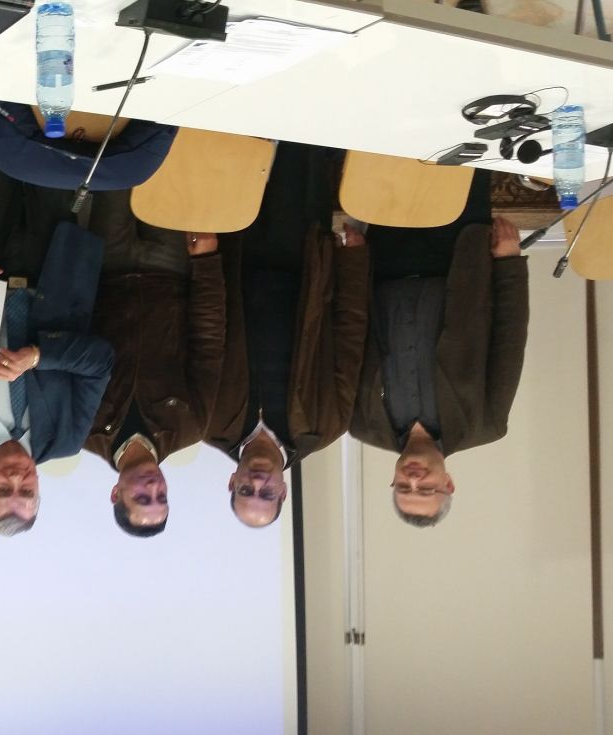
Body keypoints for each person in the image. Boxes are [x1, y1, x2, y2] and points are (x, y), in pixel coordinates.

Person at [0, 156, 114, 536]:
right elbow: (100, 362)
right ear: (39, 488)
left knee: (0, 149)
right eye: (27, 490)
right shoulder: (67, 439)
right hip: (55, 265)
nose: (16, 478)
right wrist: (38, 357)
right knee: (55, 148)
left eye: (3, 489)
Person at [350, 171, 530, 527]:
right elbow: (509, 339)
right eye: (426, 489)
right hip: (459, 262)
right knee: (463, 160)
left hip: (384, 262)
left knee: (390, 159)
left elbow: (348, 341)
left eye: (404, 487)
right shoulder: (485, 424)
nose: (414, 479)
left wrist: (352, 267)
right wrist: (509, 263)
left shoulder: (362, 425)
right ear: (448, 483)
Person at [207, 143, 370, 529]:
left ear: (231, 482)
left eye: (245, 490)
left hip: (233, 260)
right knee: (302, 149)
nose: (257, 483)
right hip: (302, 265)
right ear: (283, 491)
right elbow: (349, 338)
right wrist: (353, 262)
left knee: (240, 145)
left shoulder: (209, 423)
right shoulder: (324, 427)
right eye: (266, 494)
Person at [84, 188, 226, 537]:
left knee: (118, 170)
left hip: (105, 270)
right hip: (170, 271)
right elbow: (208, 341)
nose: (153, 487)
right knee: (165, 173)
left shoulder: (83, 431)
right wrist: (206, 264)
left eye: (142, 498)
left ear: (116, 493)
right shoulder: (190, 427)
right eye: (161, 497)